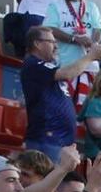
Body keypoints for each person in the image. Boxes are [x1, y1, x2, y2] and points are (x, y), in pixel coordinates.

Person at [19, 23, 85, 154]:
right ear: (37, 44)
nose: (56, 46)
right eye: (51, 42)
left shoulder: (48, 67)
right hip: (46, 141)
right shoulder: (33, 64)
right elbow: (68, 73)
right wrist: (90, 57)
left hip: (60, 143)